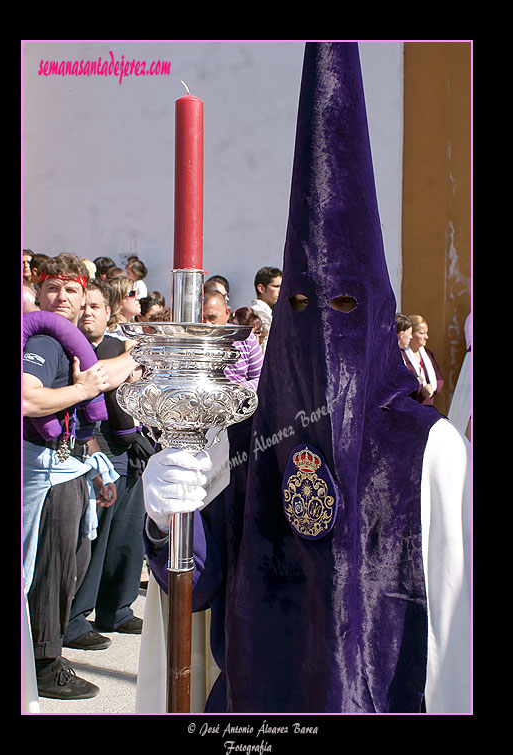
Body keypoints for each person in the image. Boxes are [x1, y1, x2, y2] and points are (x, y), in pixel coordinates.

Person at [138, 42, 470, 714]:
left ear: (376, 315)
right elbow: (196, 587)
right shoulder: (243, 437)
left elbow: (459, 640)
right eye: (301, 306)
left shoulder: (429, 450)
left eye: (343, 306)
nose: (320, 329)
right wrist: (168, 514)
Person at [23, 254, 119, 700]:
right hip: (45, 471)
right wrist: (83, 390)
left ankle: (45, 654)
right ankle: (44, 665)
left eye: (72, 290)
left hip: (65, 466)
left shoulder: (68, 341)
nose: (61, 297)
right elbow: (28, 400)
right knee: (53, 568)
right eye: (53, 289)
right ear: (39, 292)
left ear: (85, 299)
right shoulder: (43, 341)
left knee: (68, 563)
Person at [63, 279, 154, 650]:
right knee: (91, 541)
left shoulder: (120, 346)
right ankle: (75, 617)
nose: (88, 313)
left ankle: (116, 609)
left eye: (96, 307)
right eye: (84, 307)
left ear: (108, 313)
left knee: (127, 537)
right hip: (90, 454)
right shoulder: (68, 348)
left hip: (128, 453)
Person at [203, 291, 263, 391]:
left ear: (227, 313)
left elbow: (261, 379)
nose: (207, 323)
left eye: (212, 317)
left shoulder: (246, 339)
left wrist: (238, 389)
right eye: (203, 319)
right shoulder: (194, 341)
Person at [401, 314, 444, 406]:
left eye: (426, 333)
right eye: (422, 333)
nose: (426, 337)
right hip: (410, 406)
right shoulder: (401, 355)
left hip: (427, 405)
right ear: (411, 334)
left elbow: (439, 380)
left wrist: (432, 387)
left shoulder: (427, 354)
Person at [250, 266, 282, 353]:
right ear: (261, 288)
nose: (280, 291)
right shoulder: (257, 313)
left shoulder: (272, 312)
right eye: (276, 286)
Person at [107, 276, 142, 341]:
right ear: (118, 301)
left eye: (136, 293)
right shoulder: (109, 334)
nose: (137, 298)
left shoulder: (137, 329)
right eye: (131, 294)